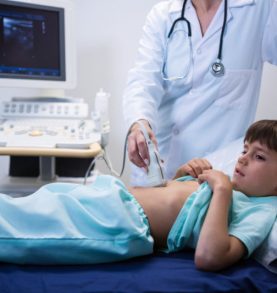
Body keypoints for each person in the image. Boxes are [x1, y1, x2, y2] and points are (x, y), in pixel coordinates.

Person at [0, 120, 276, 271]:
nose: (242, 160)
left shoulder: (261, 211)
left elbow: (210, 257)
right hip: (112, 195)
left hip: (120, 222)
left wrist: (222, 191)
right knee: (37, 202)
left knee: (25, 226)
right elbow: (175, 204)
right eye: (244, 150)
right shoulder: (230, 187)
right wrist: (182, 177)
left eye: (259, 156)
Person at [123, 0, 277, 183]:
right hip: (157, 165)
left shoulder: (260, 8)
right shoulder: (164, 14)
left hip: (215, 172)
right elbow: (143, 80)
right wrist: (139, 124)